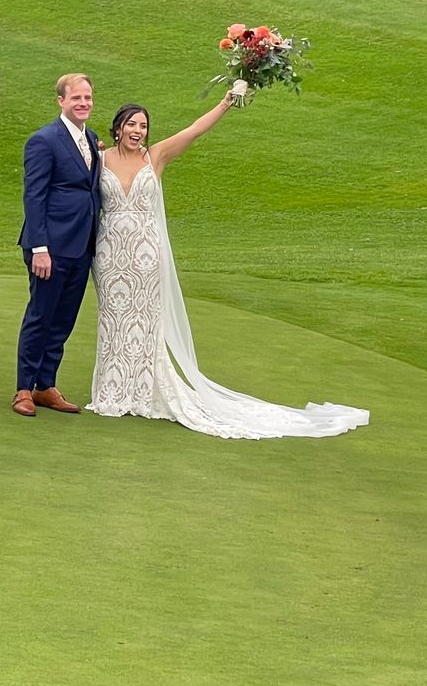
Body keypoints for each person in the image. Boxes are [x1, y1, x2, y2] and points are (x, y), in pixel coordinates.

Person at [87, 86, 367, 438]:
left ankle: (142, 395)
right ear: (117, 128)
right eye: (131, 124)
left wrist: (226, 102)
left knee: (145, 324)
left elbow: (195, 130)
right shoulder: (99, 157)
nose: (137, 131)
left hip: (146, 255)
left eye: (143, 125)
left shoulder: (154, 157)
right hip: (110, 254)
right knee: (113, 320)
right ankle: (112, 393)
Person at [14, 73, 102, 417]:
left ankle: (45, 385)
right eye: (76, 98)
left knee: (64, 319)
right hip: (50, 247)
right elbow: (34, 196)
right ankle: (23, 388)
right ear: (61, 101)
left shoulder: (91, 138)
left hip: (82, 245)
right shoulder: (43, 140)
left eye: (88, 98)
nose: (83, 104)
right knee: (41, 316)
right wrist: (39, 248)